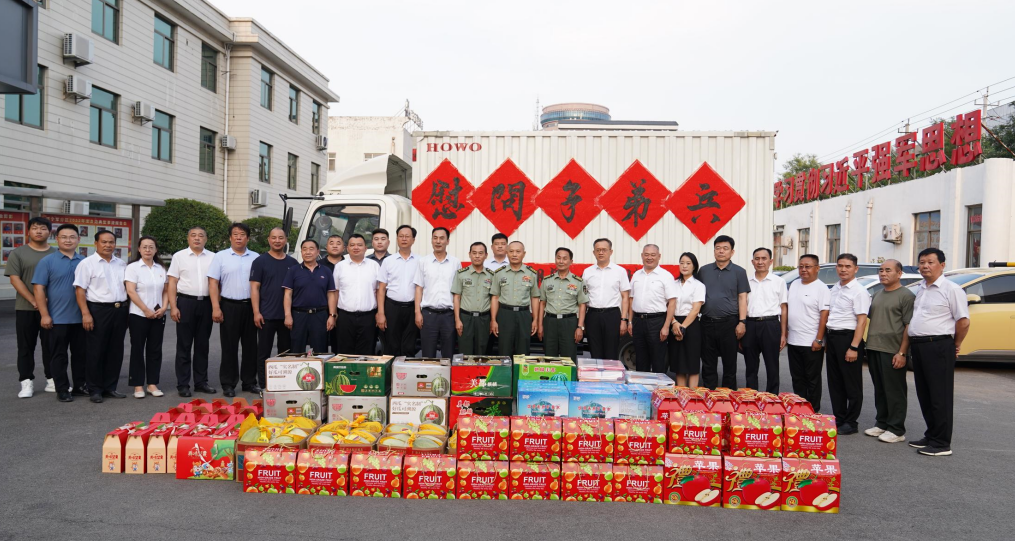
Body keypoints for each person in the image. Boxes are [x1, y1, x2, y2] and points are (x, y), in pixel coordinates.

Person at [908, 248, 969, 457]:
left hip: (939, 345)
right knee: (925, 393)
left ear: (942, 265)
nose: (925, 266)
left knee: (939, 395)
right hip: (919, 345)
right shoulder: (921, 288)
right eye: (922, 262)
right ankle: (931, 434)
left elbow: (963, 321)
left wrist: (955, 344)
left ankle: (942, 443)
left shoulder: (952, 289)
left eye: (930, 262)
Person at [32, 224, 86, 402]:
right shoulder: (47, 261)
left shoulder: (85, 261)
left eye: (72, 237)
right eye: (64, 237)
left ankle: (79, 385)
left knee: (80, 355)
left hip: (81, 318)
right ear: (57, 239)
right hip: (57, 318)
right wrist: (44, 314)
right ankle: (62, 388)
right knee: (58, 355)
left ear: (78, 239)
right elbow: (39, 289)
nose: (68, 240)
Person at [73, 230, 129, 403]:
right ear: (95, 243)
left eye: (111, 242)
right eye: (104, 242)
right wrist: (86, 313)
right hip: (98, 310)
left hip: (120, 310)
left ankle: (110, 387)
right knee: (95, 351)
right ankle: (95, 389)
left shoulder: (121, 264)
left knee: (115, 350)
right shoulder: (87, 264)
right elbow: (80, 290)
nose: (108, 245)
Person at [864, 259, 915, 444]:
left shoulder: (906, 296)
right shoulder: (877, 294)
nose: (883, 273)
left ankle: (897, 429)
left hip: (893, 350)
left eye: (888, 270)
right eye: (881, 270)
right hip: (874, 347)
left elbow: (909, 325)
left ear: (899, 273)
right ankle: (882, 423)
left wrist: (902, 353)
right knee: (880, 388)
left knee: (895, 390)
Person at [208, 223, 259, 397]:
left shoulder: (256, 257)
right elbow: (213, 283)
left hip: (250, 307)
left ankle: (249, 382)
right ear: (230, 237)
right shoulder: (220, 257)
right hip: (229, 306)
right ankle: (228, 384)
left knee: (251, 347)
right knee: (229, 347)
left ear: (248, 238)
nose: (238, 237)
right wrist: (216, 307)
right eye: (235, 234)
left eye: (242, 234)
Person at [7, 216, 56, 397]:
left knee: (50, 346)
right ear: (29, 231)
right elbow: (15, 279)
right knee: (26, 347)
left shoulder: (56, 254)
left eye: (43, 228)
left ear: (49, 232)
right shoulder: (18, 253)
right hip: (25, 308)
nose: (39, 231)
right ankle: (26, 382)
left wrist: (47, 301)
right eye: (35, 228)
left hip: (52, 309)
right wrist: (35, 300)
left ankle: (52, 379)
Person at [824, 253, 871, 435]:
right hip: (833, 337)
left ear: (855, 269)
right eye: (840, 266)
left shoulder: (859, 291)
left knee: (851, 383)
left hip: (849, 339)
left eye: (848, 266)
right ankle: (839, 418)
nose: (843, 269)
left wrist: (853, 347)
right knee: (835, 382)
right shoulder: (835, 288)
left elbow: (862, 321)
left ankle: (851, 422)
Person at [167, 226, 216, 397]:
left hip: (206, 303)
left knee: (203, 345)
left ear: (206, 239)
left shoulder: (213, 257)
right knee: (184, 345)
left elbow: (216, 283)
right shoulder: (179, 256)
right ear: (188, 239)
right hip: (185, 303)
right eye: (193, 235)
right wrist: (173, 306)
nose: (197, 238)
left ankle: (201, 382)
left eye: (201, 235)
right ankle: (183, 384)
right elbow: (172, 283)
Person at [697, 235, 750, 389]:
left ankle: (727, 399)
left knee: (729, 363)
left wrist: (742, 322)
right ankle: (709, 395)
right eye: (718, 248)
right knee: (708, 363)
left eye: (725, 248)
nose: (721, 251)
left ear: (732, 252)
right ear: (714, 251)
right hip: (706, 322)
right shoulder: (704, 271)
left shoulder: (739, 272)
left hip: (730, 323)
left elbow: (742, 298)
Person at [250, 227, 298, 388]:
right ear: (269, 240)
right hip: (266, 315)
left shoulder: (293, 263)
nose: (277, 241)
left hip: (287, 316)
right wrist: (256, 312)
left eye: (281, 238)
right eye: (274, 238)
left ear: (285, 240)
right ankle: (263, 384)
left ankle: (285, 383)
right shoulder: (260, 261)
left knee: (286, 352)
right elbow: (254, 288)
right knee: (263, 352)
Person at [124, 236, 168, 399]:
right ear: (139, 249)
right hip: (138, 315)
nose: (148, 250)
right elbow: (131, 291)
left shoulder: (161, 268)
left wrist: (164, 308)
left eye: (151, 247)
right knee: (137, 349)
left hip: (158, 315)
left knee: (155, 350)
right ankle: (137, 385)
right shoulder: (133, 268)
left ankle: (152, 384)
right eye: (144, 247)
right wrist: (145, 309)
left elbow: (165, 290)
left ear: (156, 250)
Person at [786, 254, 830, 412]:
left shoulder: (821, 288)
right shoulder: (795, 284)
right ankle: (799, 410)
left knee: (812, 379)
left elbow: (824, 315)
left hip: (811, 342)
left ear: (817, 268)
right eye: (801, 266)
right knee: (797, 378)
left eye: (808, 266)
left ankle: (813, 410)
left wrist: (819, 339)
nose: (804, 270)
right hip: (793, 340)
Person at [743, 247, 789, 393]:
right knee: (751, 367)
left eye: (764, 259)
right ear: (752, 261)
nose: (760, 262)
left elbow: (783, 308)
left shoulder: (779, 281)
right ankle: (751, 399)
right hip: (750, 324)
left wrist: (783, 334)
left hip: (770, 325)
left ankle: (772, 400)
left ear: (770, 261)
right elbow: (742, 305)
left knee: (772, 366)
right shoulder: (746, 281)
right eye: (757, 259)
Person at [283, 240, 337, 354]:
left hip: (320, 315)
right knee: (296, 349)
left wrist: (332, 315)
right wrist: (288, 315)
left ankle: (319, 372)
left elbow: (331, 294)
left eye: (311, 249)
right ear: (301, 252)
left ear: (318, 252)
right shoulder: (293, 270)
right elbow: (287, 294)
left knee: (320, 350)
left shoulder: (326, 271)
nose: (308, 252)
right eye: (304, 249)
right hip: (298, 315)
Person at [628, 244, 676, 373]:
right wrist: (630, 321)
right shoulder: (636, 275)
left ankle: (658, 391)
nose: (649, 258)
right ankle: (642, 390)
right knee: (640, 358)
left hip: (657, 322)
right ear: (642, 256)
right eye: (646, 254)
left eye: (653, 255)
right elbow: (631, 299)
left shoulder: (666, 276)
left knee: (658, 359)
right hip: (638, 321)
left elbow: (672, 302)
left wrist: (666, 326)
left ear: (659, 256)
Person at [581, 238, 631, 360]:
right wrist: (581, 324)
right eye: (598, 250)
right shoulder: (588, 272)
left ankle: (610, 378)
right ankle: (597, 378)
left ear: (611, 251)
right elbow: (583, 297)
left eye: (604, 250)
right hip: (592, 315)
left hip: (612, 315)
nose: (601, 253)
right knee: (595, 352)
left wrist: (624, 320)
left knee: (611, 352)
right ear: (594, 252)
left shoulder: (619, 271)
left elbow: (625, 297)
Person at [414, 227, 459, 357]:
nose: (438, 241)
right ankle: (429, 377)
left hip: (448, 315)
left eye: (441, 238)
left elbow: (457, 293)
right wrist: (417, 312)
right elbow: (419, 288)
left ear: (448, 241)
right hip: (428, 315)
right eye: (435, 238)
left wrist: (457, 318)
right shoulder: (423, 262)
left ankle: (447, 378)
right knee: (427, 354)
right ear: (431, 240)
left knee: (448, 354)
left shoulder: (455, 263)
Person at [490, 241, 540, 357]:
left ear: (524, 254)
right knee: (504, 349)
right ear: (507, 253)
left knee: (523, 350)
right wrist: (493, 320)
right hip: (505, 314)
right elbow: (495, 297)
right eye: (511, 251)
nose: (514, 254)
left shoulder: (531, 273)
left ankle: (521, 375)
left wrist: (535, 319)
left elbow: (535, 297)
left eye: (518, 251)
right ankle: (505, 375)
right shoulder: (499, 273)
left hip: (524, 314)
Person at [538, 247, 588, 362]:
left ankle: (569, 380)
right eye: (558, 258)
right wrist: (540, 325)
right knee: (549, 356)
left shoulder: (578, 282)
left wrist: (580, 327)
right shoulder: (547, 280)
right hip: (550, 322)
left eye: (565, 259)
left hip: (569, 322)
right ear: (555, 260)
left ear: (571, 262)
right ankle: (551, 380)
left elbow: (582, 305)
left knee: (569, 358)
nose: (561, 261)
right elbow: (542, 303)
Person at [377, 225, 420, 356]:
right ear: (396, 239)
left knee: (409, 345)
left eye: (407, 236)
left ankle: (407, 374)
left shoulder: (420, 261)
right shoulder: (388, 261)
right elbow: (381, 289)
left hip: (412, 308)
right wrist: (381, 313)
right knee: (391, 344)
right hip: (392, 307)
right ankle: (391, 374)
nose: (404, 239)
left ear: (413, 240)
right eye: (401, 236)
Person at [334, 234, 381, 354]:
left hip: (368, 317)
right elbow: (336, 292)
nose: (356, 248)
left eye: (359, 245)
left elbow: (379, 291)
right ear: (347, 248)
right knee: (344, 352)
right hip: (345, 317)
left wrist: (380, 313)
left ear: (366, 248)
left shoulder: (374, 266)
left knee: (367, 352)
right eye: (352, 245)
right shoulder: (340, 266)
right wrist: (333, 315)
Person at [670, 253, 705, 387]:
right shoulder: (673, 284)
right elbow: (668, 305)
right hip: (674, 322)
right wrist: (674, 323)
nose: (684, 266)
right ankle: (681, 397)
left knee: (692, 364)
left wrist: (682, 327)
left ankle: (692, 399)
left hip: (691, 324)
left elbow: (696, 309)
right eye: (682, 262)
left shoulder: (698, 285)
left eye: (688, 263)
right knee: (679, 364)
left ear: (694, 266)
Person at [453, 242, 494, 355]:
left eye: (480, 253)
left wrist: (492, 320)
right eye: (474, 253)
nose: (477, 256)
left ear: (486, 255)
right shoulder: (461, 274)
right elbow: (457, 297)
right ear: (469, 254)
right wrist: (457, 319)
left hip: (484, 318)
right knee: (465, 352)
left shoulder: (491, 275)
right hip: (466, 318)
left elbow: (493, 299)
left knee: (482, 351)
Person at [318, 234, 346, 353]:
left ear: (344, 248)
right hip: (322, 309)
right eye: (331, 243)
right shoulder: (318, 265)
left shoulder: (349, 264)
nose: (335, 246)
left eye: (338, 243)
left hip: (343, 309)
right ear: (326, 246)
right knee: (320, 342)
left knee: (339, 343)